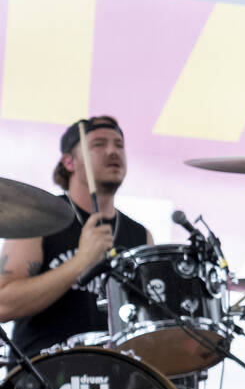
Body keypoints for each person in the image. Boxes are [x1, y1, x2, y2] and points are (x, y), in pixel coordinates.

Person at [0, 116, 153, 358]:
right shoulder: (39, 220)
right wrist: (81, 262)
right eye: (99, 145)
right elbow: (2, 304)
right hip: (43, 375)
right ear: (69, 162)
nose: (113, 152)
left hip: (119, 375)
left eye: (119, 145)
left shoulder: (140, 235)